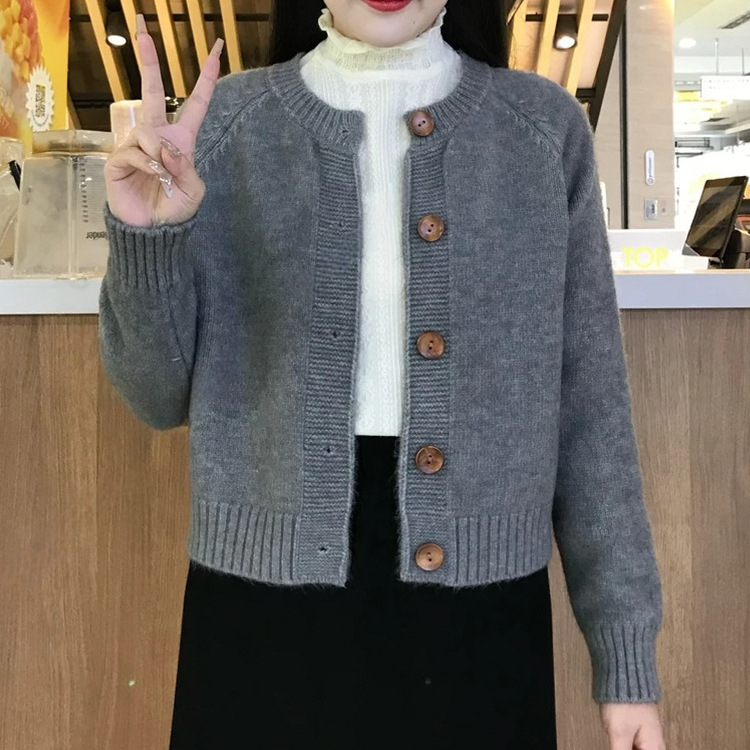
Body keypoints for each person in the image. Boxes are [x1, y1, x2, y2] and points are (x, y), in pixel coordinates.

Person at [99, 1, 667, 748]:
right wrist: (148, 235)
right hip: (261, 620)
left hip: (480, 627)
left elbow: (592, 414)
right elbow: (155, 396)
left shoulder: (541, 130)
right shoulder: (226, 126)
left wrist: (625, 657)